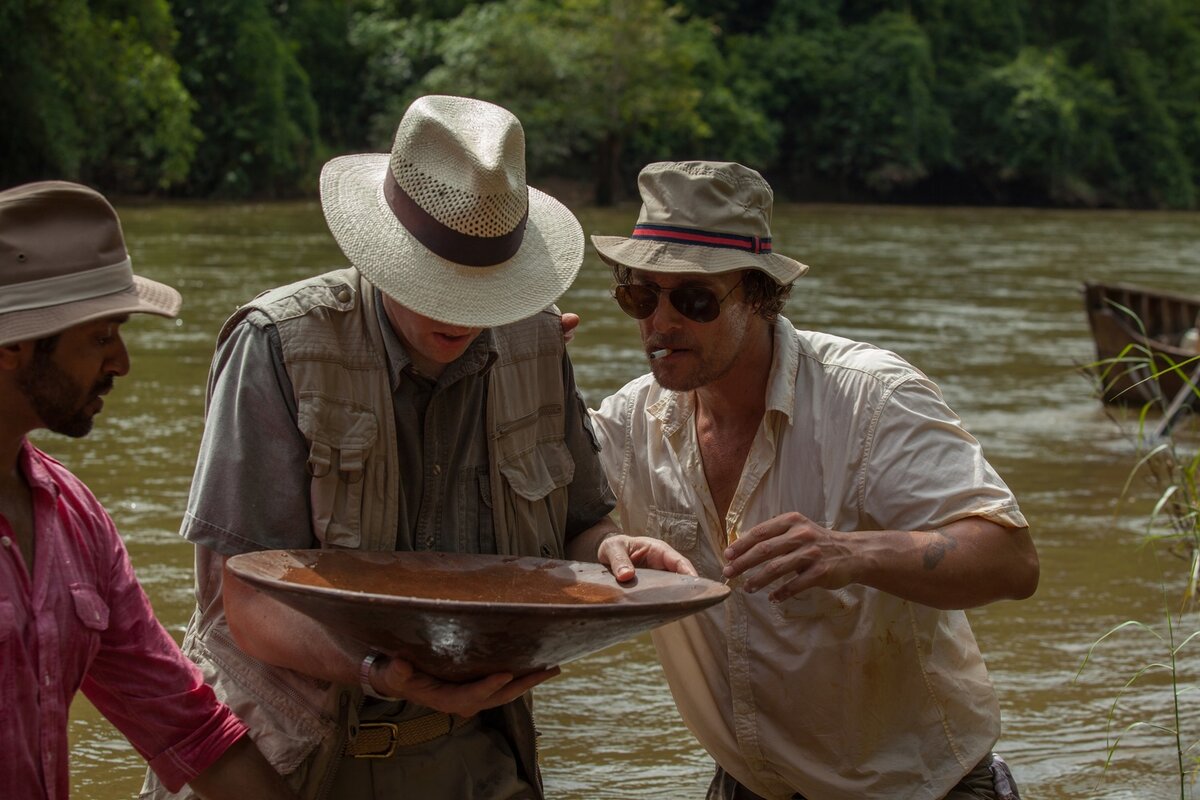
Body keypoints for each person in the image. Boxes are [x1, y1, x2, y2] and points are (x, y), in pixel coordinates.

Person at [142, 95, 690, 800]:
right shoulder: (278, 345)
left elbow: (581, 526)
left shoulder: (535, 341)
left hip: (474, 760)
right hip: (293, 754)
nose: (460, 312)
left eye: (484, 290)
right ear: (387, 254)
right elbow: (241, 606)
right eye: (439, 284)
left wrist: (612, 556)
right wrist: (379, 671)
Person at [588, 161, 1040, 800]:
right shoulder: (635, 420)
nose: (660, 324)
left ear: (757, 296)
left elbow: (1013, 560)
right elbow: (558, 506)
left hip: (916, 788)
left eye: (693, 299)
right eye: (641, 295)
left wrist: (854, 553)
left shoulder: (871, 399)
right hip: (750, 783)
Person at [0, 181, 297, 800]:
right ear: (12, 348)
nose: (123, 363)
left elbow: (186, 725)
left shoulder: (75, 520)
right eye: (102, 337)